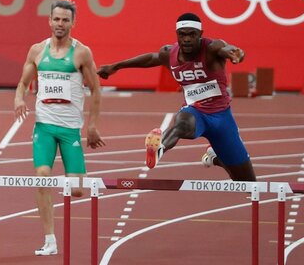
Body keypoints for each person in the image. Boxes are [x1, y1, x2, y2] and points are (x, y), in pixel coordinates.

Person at [97, 12, 256, 182]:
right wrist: (116, 66)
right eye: (182, 35)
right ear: (177, 35)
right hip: (196, 112)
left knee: (246, 182)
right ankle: (159, 147)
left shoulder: (211, 49)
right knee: (181, 124)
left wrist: (236, 53)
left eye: (191, 34)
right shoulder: (170, 53)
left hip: (221, 118)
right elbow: (151, 58)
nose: (186, 39)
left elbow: (227, 49)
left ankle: (216, 157)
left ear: (200, 35)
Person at [14, 0, 105, 256]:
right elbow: (22, 83)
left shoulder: (81, 53)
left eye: (65, 20)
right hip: (44, 126)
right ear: (49, 21)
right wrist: (19, 98)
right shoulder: (36, 51)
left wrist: (93, 126)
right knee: (42, 177)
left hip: (70, 129)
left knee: (76, 189)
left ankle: (72, 181)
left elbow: (96, 89)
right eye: (56, 19)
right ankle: (50, 240)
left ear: (73, 23)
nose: (60, 24)